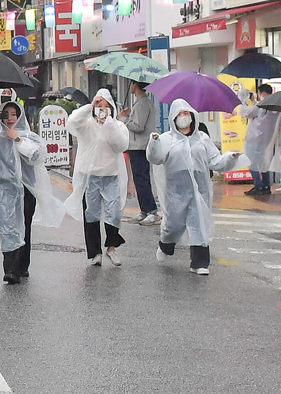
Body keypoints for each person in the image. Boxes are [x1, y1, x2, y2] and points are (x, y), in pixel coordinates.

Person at [148, 98, 243, 275]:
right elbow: (156, 158)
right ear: (173, 118)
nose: (183, 117)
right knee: (173, 225)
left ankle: (199, 263)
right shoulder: (166, 139)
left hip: (199, 188)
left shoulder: (202, 139)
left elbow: (215, 161)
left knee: (199, 222)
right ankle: (165, 245)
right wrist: (153, 143)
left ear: (192, 116)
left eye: (186, 113)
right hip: (176, 189)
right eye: (180, 114)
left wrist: (230, 157)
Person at [0, 93, 61, 283]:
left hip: (26, 190)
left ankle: (22, 266)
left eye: (14, 114)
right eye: (7, 114)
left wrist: (18, 140)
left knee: (24, 227)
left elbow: (37, 156)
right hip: (4, 190)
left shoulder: (28, 136)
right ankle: (10, 270)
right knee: (7, 228)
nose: (10, 118)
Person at [63, 87, 130, 266]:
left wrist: (108, 124)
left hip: (111, 176)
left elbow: (121, 145)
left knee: (114, 213)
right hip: (89, 177)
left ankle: (111, 248)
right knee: (91, 214)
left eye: (105, 105)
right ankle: (95, 253)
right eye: (99, 105)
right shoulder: (86, 124)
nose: (101, 108)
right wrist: (89, 107)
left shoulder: (117, 126)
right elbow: (72, 123)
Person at [123, 80, 162, 226]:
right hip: (137, 146)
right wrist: (129, 115)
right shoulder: (140, 103)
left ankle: (152, 211)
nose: (130, 87)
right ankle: (144, 210)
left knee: (142, 179)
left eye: (131, 83)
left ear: (135, 84)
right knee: (139, 179)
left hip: (140, 146)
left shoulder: (143, 103)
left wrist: (124, 120)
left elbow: (139, 126)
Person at [238, 83, 281, 195]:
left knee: (250, 161)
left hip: (255, 138)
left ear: (261, 93)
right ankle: (266, 185)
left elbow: (245, 112)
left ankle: (258, 185)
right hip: (267, 139)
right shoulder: (275, 106)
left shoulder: (262, 106)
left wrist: (243, 101)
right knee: (263, 162)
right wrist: (254, 102)